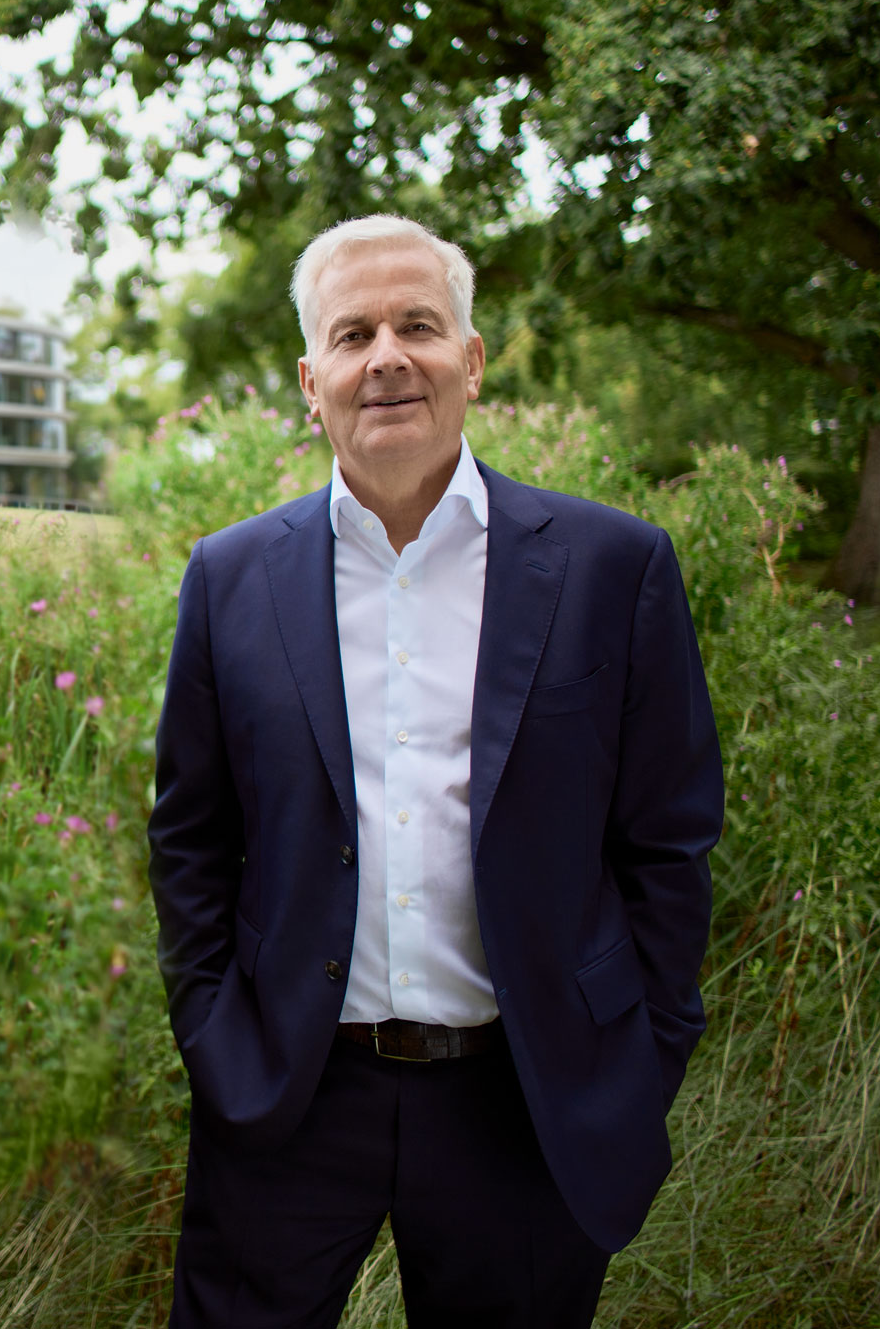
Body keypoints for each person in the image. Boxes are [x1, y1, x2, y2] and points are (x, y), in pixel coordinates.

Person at [147, 214, 724, 1326]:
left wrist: (643, 1051)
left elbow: (667, 834)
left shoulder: (612, 567)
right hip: (287, 1092)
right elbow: (191, 836)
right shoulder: (229, 579)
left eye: (418, 324)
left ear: (470, 358)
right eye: (354, 334)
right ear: (311, 384)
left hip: (527, 1095)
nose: (388, 357)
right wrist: (214, 1037)